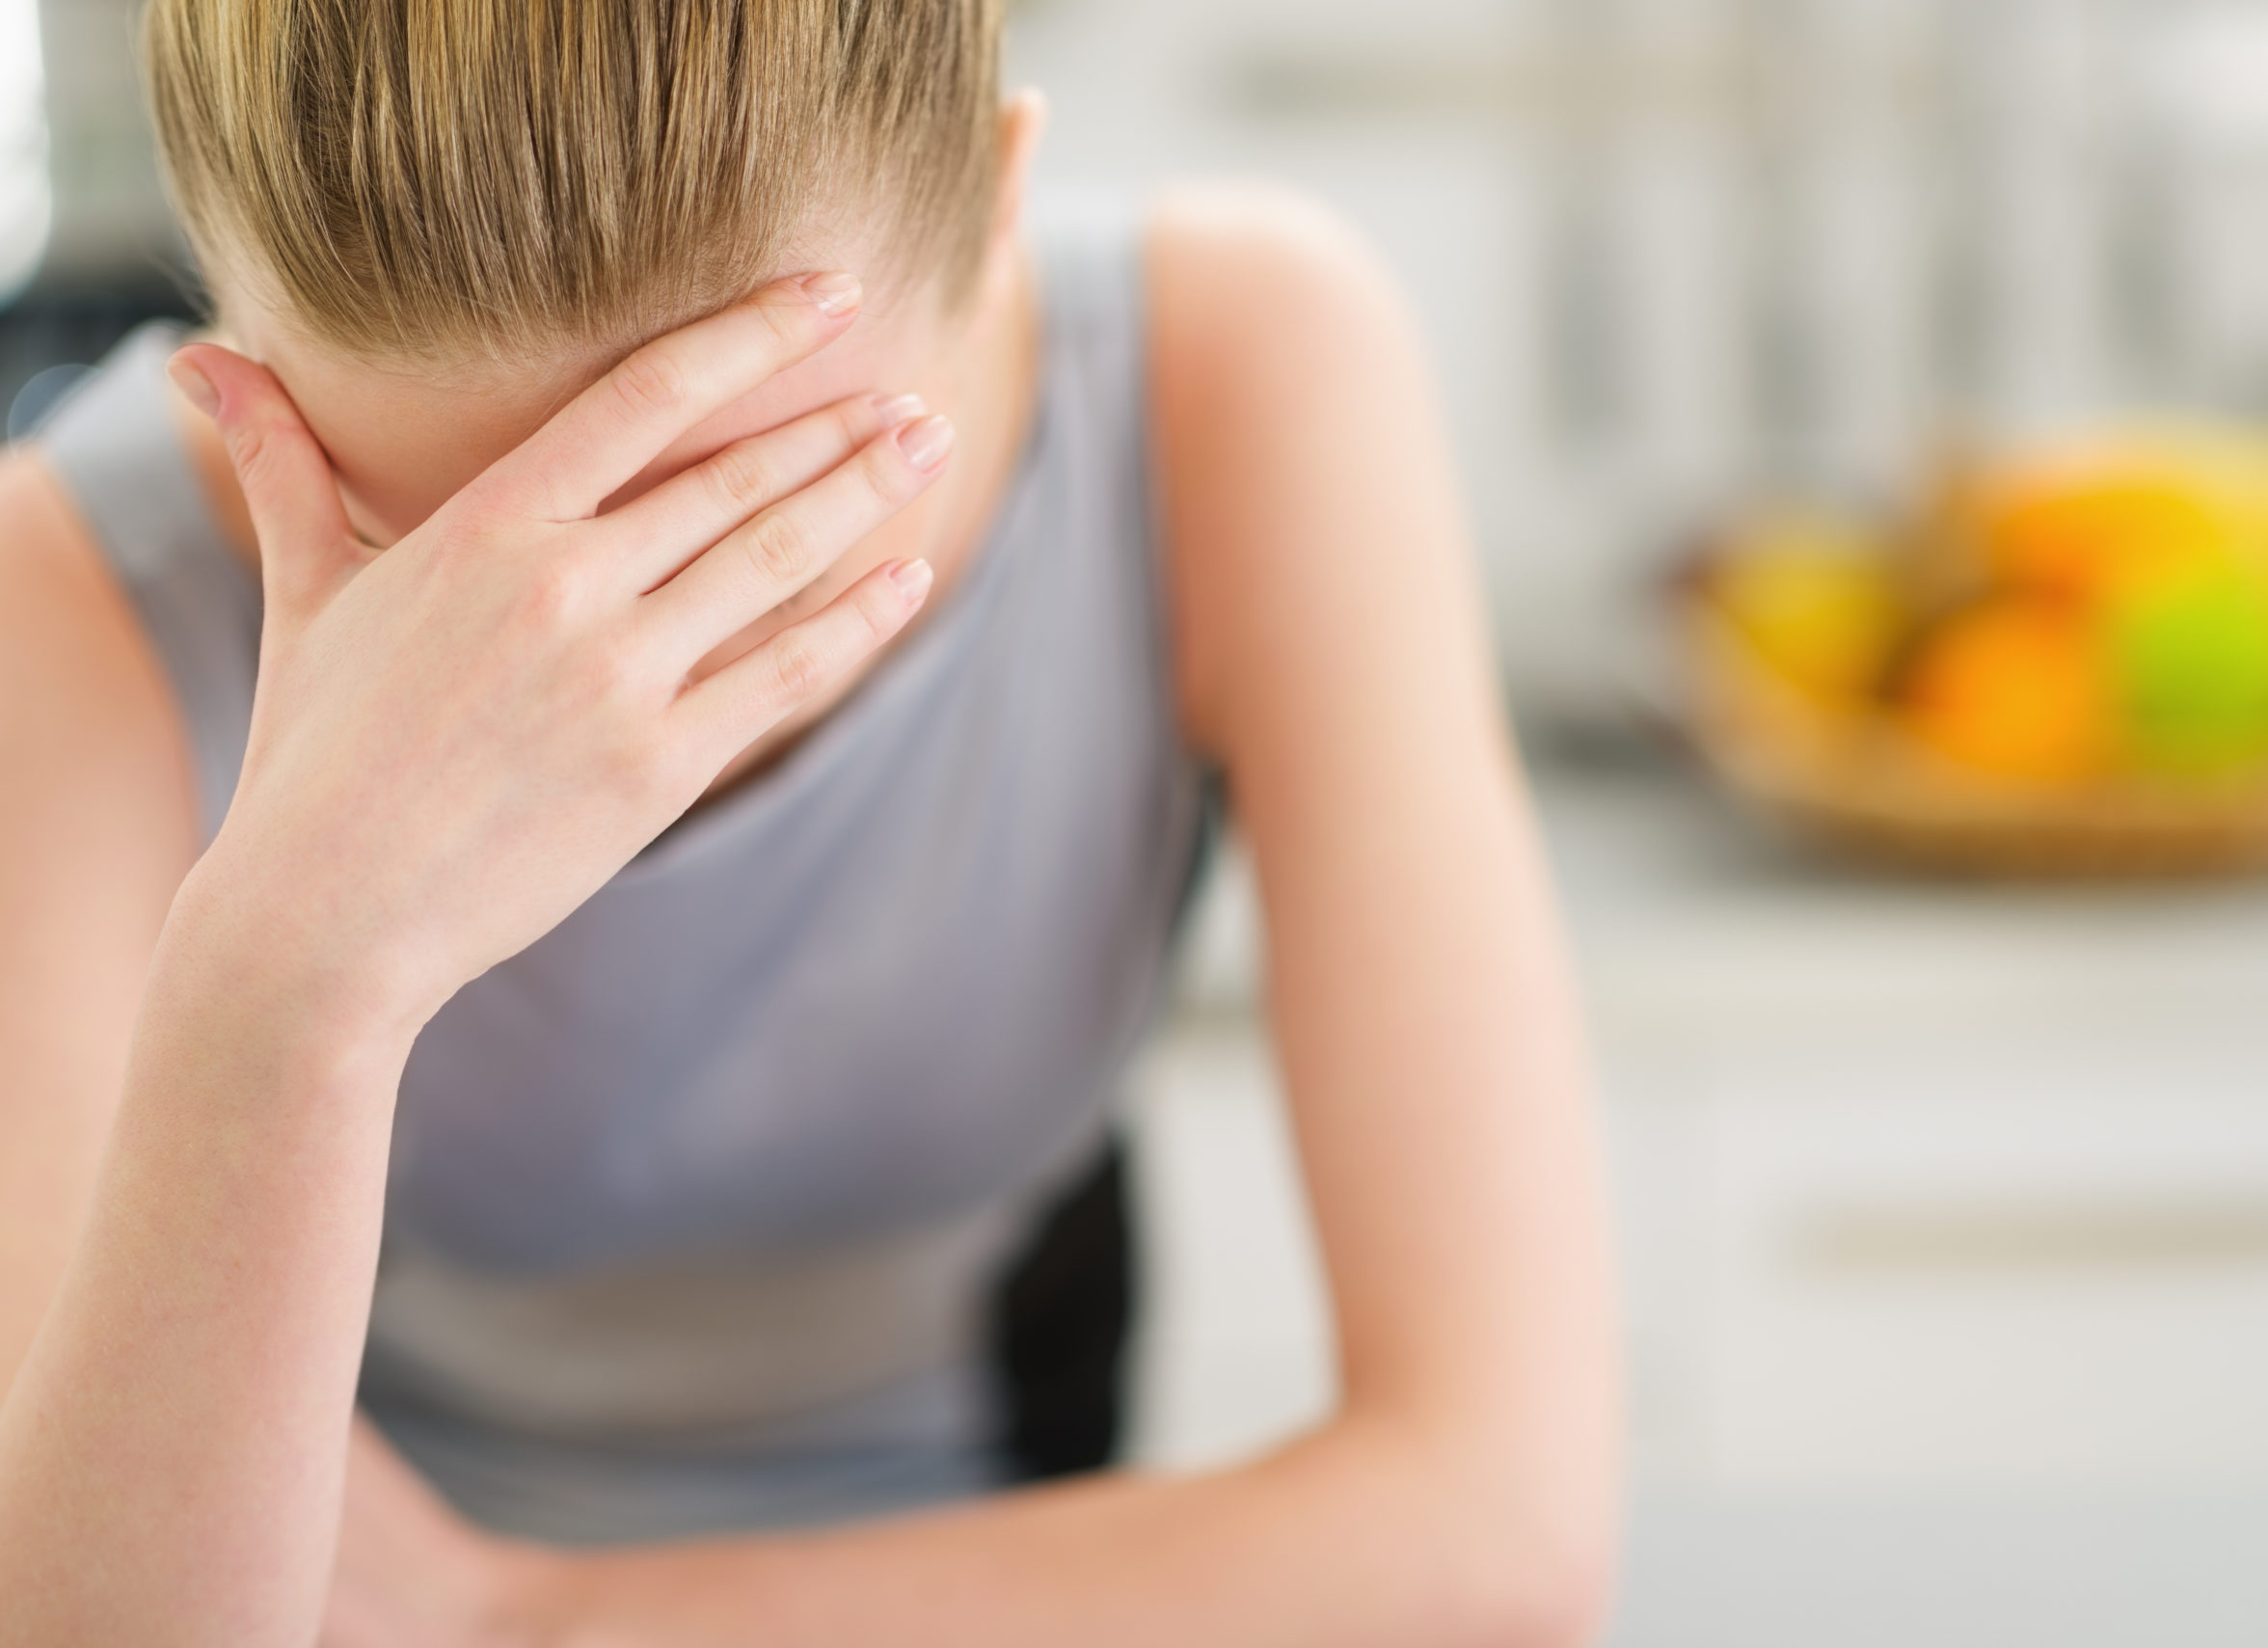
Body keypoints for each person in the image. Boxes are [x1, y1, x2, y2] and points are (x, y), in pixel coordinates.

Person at [0, 1, 1620, 1641]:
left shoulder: (1241, 368)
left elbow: (1497, 1527)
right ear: (230, 333)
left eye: (767, 517)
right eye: (443, 568)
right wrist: (289, 979)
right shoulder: (73, 592)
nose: (611, 701)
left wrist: (522, 1621)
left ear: (999, 206)